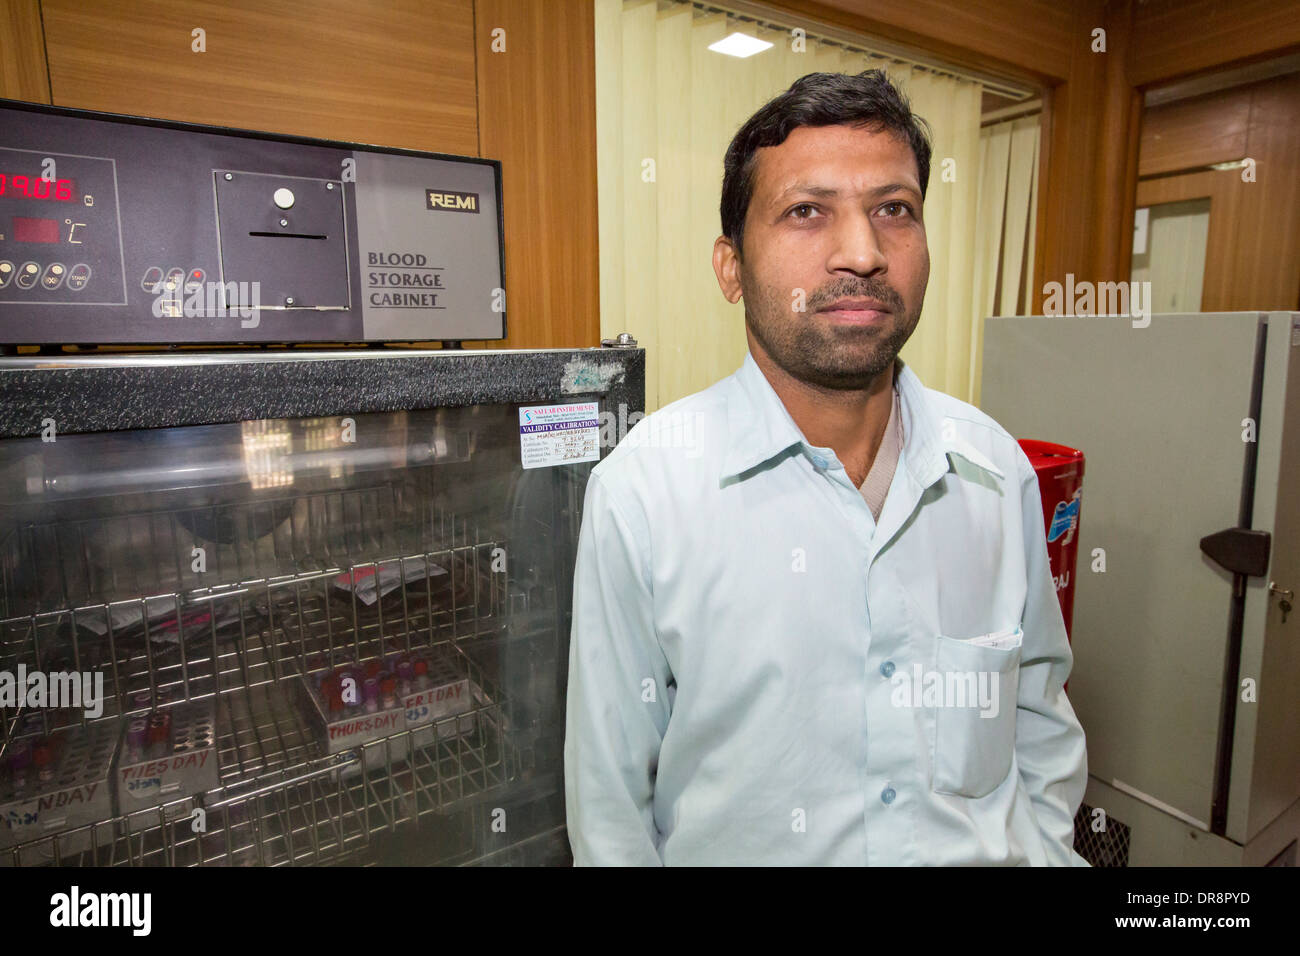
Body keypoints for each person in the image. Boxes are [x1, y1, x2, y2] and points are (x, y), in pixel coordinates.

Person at [564, 69, 1088, 865]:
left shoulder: (994, 469)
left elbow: (1041, 726)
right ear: (730, 267)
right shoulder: (645, 494)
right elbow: (610, 814)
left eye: (895, 210)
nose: (864, 252)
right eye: (807, 212)